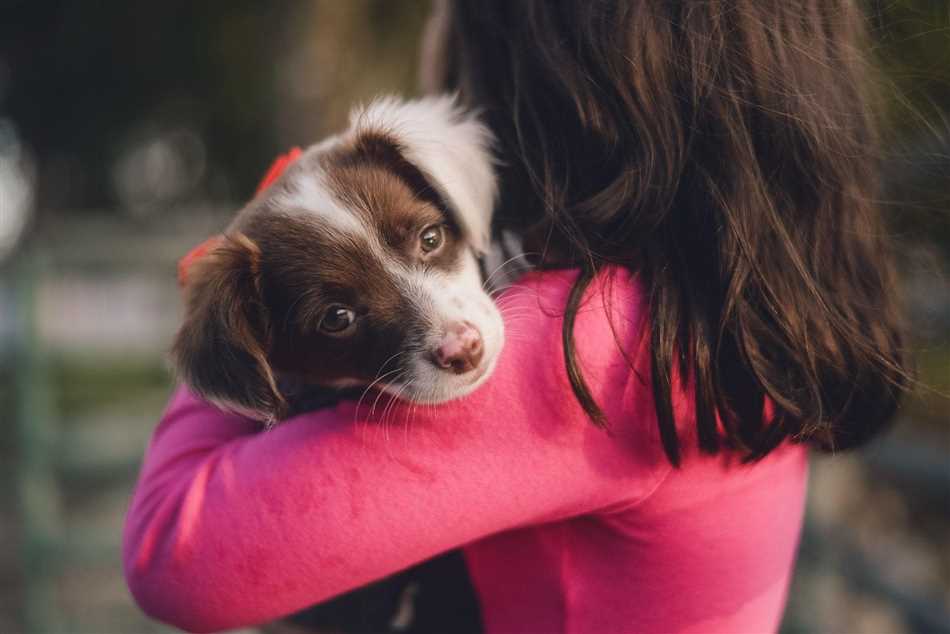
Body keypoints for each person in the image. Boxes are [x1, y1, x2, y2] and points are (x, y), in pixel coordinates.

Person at [123, 1, 909, 632]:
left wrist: (237, 259)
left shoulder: (582, 350)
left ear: (536, 77)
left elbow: (174, 556)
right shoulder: (725, 303)